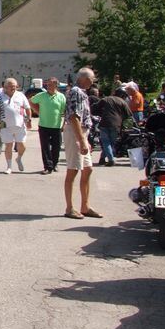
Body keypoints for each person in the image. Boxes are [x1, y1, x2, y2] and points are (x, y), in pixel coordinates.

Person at [63, 67, 100, 219]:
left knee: (87, 169)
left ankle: (85, 206)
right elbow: (74, 117)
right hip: (75, 133)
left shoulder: (81, 92)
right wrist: (81, 141)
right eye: (91, 79)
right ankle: (69, 208)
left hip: (81, 133)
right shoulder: (76, 92)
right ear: (84, 78)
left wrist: (85, 140)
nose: (92, 82)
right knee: (73, 170)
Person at [0, 78, 31, 174]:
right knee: (8, 146)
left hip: (20, 125)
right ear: (5, 87)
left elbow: (27, 108)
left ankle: (18, 158)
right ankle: (9, 167)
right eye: (11, 86)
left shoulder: (21, 95)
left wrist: (29, 120)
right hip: (5, 125)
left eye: (15, 86)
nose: (13, 88)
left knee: (22, 146)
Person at [31, 77, 66, 174]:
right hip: (44, 125)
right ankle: (47, 167)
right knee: (45, 147)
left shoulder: (61, 96)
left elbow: (64, 111)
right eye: (47, 85)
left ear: (56, 85)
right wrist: (37, 111)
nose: (48, 86)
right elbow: (31, 101)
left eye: (50, 85)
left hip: (56, 126)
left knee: (56, 147)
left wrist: (64, 124)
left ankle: (54, 164)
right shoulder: (41, 95)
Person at [93, 89, 131, 167]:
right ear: (122, 95)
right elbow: (129, 114)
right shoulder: (122, 102)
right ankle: (106, 159)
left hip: (104, 122)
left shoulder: (106, 99)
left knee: (106, 142)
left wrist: (100, 113)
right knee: (111, 143)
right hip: (116, 124)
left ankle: (107, 159)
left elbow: (95, 107)